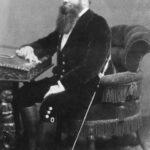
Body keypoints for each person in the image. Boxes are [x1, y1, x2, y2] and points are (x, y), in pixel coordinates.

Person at [16, 0, 111, 150]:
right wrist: (30, 48)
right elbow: (48, 42)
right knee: (23, 94)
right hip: (61, 81)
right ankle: (30, 143)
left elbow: (90, 67)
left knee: (50, 103)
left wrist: (61, 86)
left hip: (85, 88)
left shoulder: (97, 24)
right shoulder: (68, 20)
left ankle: (47, 146)